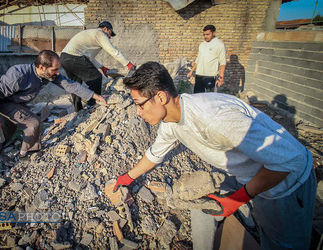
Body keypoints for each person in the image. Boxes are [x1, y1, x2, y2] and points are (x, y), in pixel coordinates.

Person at [113, 62, 316, 249]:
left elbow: (288, 161)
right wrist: (127, 177)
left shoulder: (215, 119)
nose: (138, 112)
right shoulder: (171, 122)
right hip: (258, 179)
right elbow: (155, 154)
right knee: (265, 234)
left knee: (283, 244)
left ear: (160, 97)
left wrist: (238, 199)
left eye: (140, 104)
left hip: (287, 186)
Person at [0, 50, 106, 172]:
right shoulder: (18, 75)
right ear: (42, 67)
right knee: (33, 122)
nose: (57, 73)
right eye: (54, 69)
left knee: (7, 129)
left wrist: (96, 96)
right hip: (4, 103)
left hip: (16, 104)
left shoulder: (47, 75)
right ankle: (25, 154)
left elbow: (70, 84)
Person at [60, 21, 135, 112]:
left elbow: (88, 57)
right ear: (105, 29)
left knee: (75, 84)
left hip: (64, 58)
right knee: (96, 77)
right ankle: (92, 105)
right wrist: (128, 64)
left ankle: (78, 110)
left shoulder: (91, 35)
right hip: (74, 57)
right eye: (110, 33)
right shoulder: (100, 34)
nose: (110, 37)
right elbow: (113, 51)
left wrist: (101, 67)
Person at [187, 25, 226, 93]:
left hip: (210, 76)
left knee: (209, 97)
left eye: (208, 34)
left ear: (214, 33)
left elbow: (222, 62)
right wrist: (191, 71)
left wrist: (221, 78)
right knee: (197, 95)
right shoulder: (202, 45)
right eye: (204, 34)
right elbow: (198, 59)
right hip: (199, 74)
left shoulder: (219, 44)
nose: (205, 36)